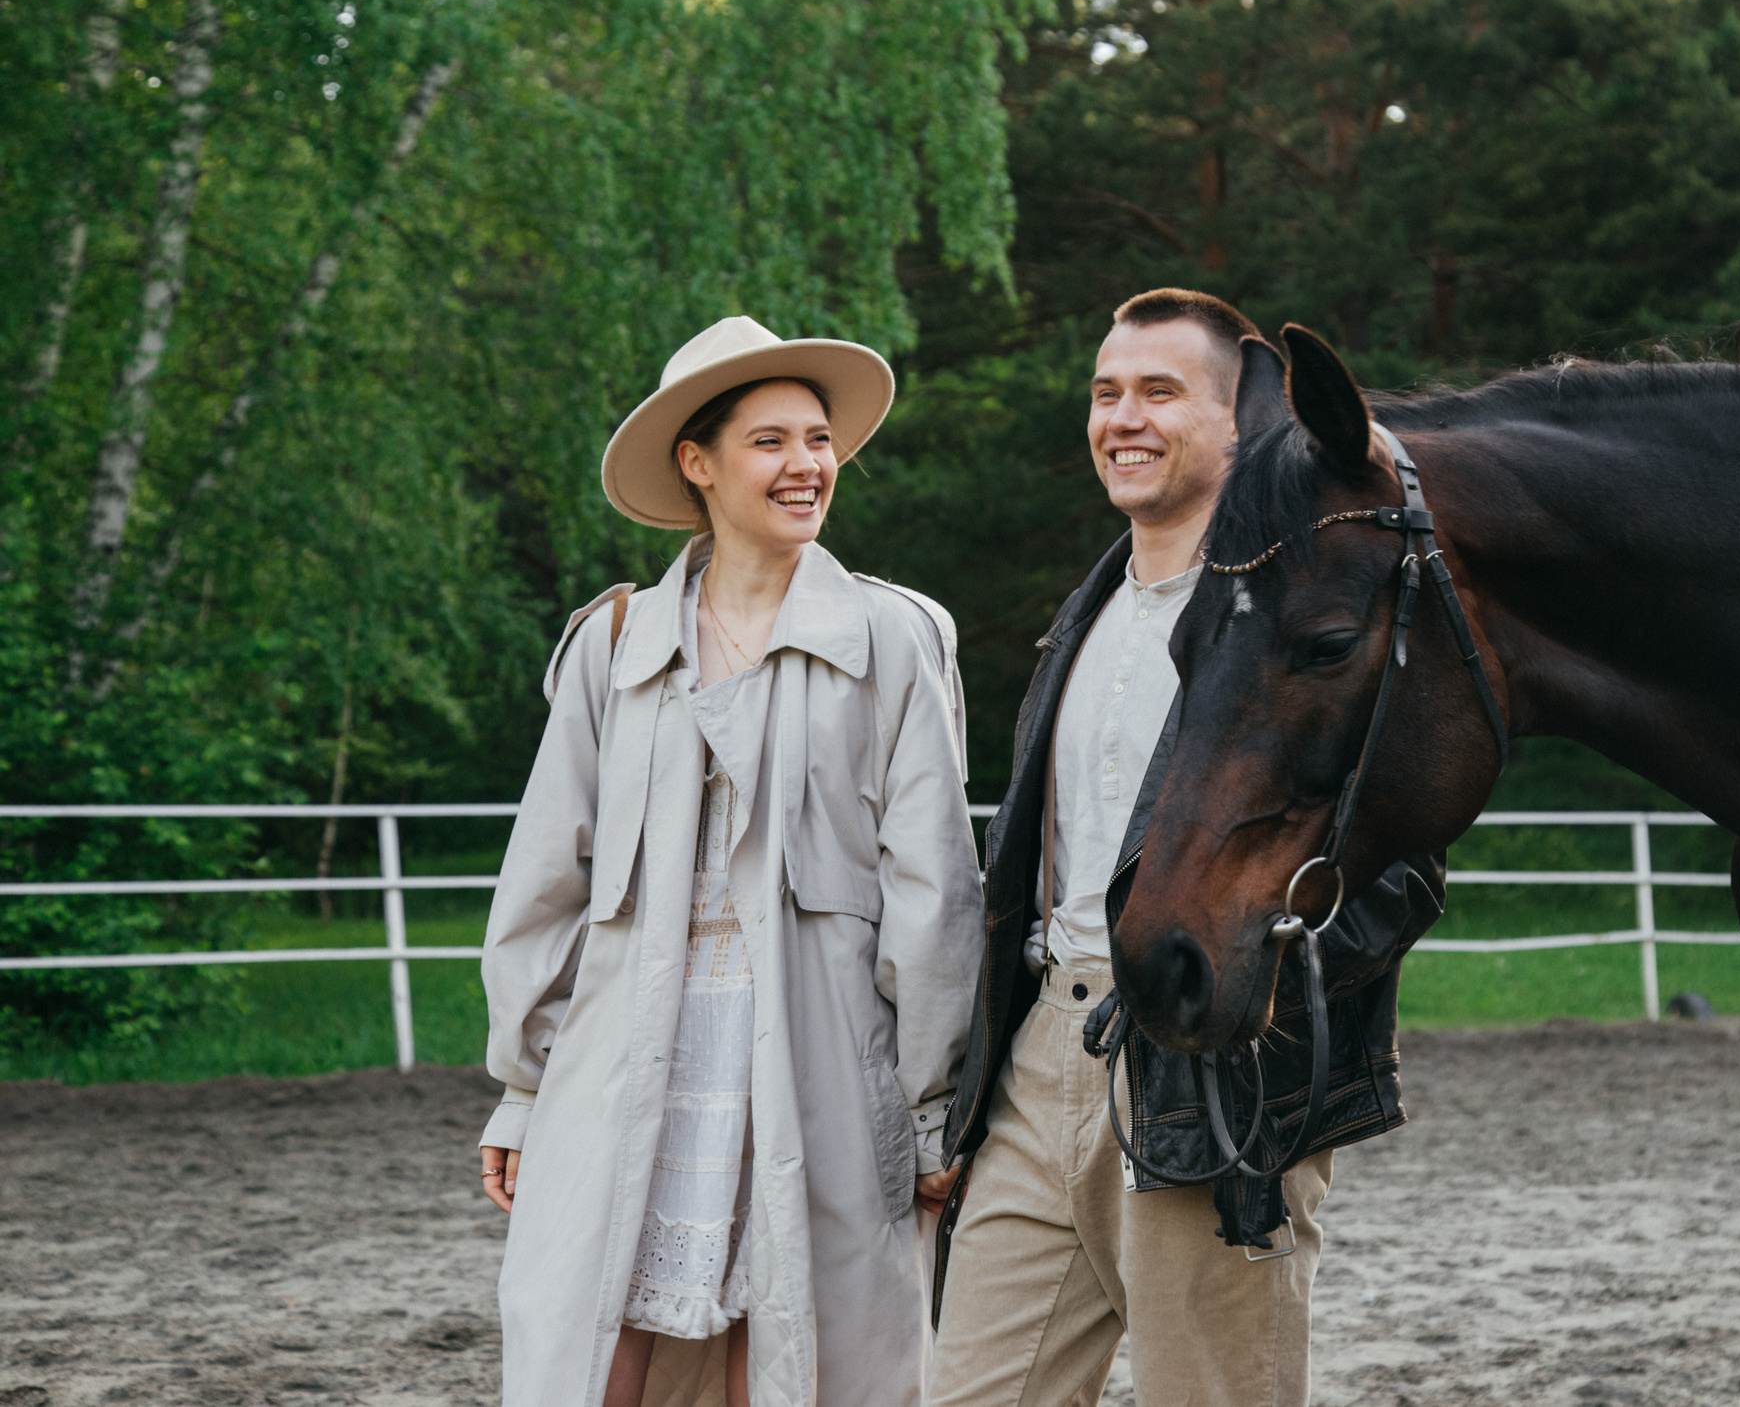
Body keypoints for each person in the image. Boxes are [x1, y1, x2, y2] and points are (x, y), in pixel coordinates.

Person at [927, 289, 1446, 1407]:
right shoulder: (1085, 613)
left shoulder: (1298, 629)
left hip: (1212, 1081)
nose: (1123, 417)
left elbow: (1402, 868)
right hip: (1036, 1063)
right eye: (1107, 392)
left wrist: (1260, 997)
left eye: (1161, 392)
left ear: (1236, 424)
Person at [476, 315, 982, 1407]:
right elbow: (543, 882)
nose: (807, 465)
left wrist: (933, 1112)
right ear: (696, 464)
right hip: (620, 1055)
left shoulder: (897, 638)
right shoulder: (610, 642)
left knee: (800, 1342)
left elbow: (933, 892)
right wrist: (523, 1088)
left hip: (819, 1059)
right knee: (580, 1336)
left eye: (817, 439)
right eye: (769, 441)